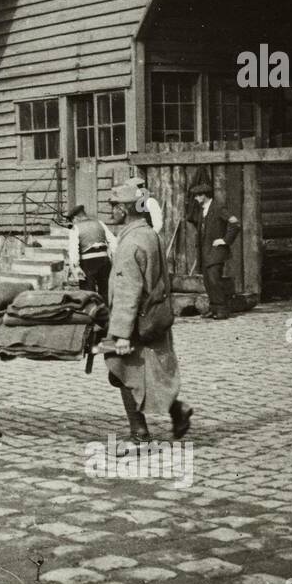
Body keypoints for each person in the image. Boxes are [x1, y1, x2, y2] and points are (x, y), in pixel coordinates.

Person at [104, 182, 193, 442]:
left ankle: (139, 432)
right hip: (153, 315)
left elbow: (127, 290)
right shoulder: (150, 234)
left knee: (121, 371)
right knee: (144, 373)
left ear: (124, 209)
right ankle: (177, 412)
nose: (112, 212)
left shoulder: (131, 242)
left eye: (114, 206)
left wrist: (120, 334)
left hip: (135, 322)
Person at [186, 180, 240, 320]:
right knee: (208, 281)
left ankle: (222, 310)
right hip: (205, 252)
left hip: (216, 251)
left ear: (204, 195)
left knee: (214, 279)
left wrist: (225, 240)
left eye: (198, 196)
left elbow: (234, 223)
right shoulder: (203, 210)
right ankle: (213, 308)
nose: (196, 199)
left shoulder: (218, 207)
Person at [65, 204, 114, 302]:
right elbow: (113, 241)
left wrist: (76, 266)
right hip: (104, 260)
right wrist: (113, 258)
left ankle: (91, 314)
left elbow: (73, 248)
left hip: (87, 263)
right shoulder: (100, 223)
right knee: (105, 290)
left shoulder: (76, 228)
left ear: (76, 218)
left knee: (87, 293)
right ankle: (106, 313)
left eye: (72, 220)